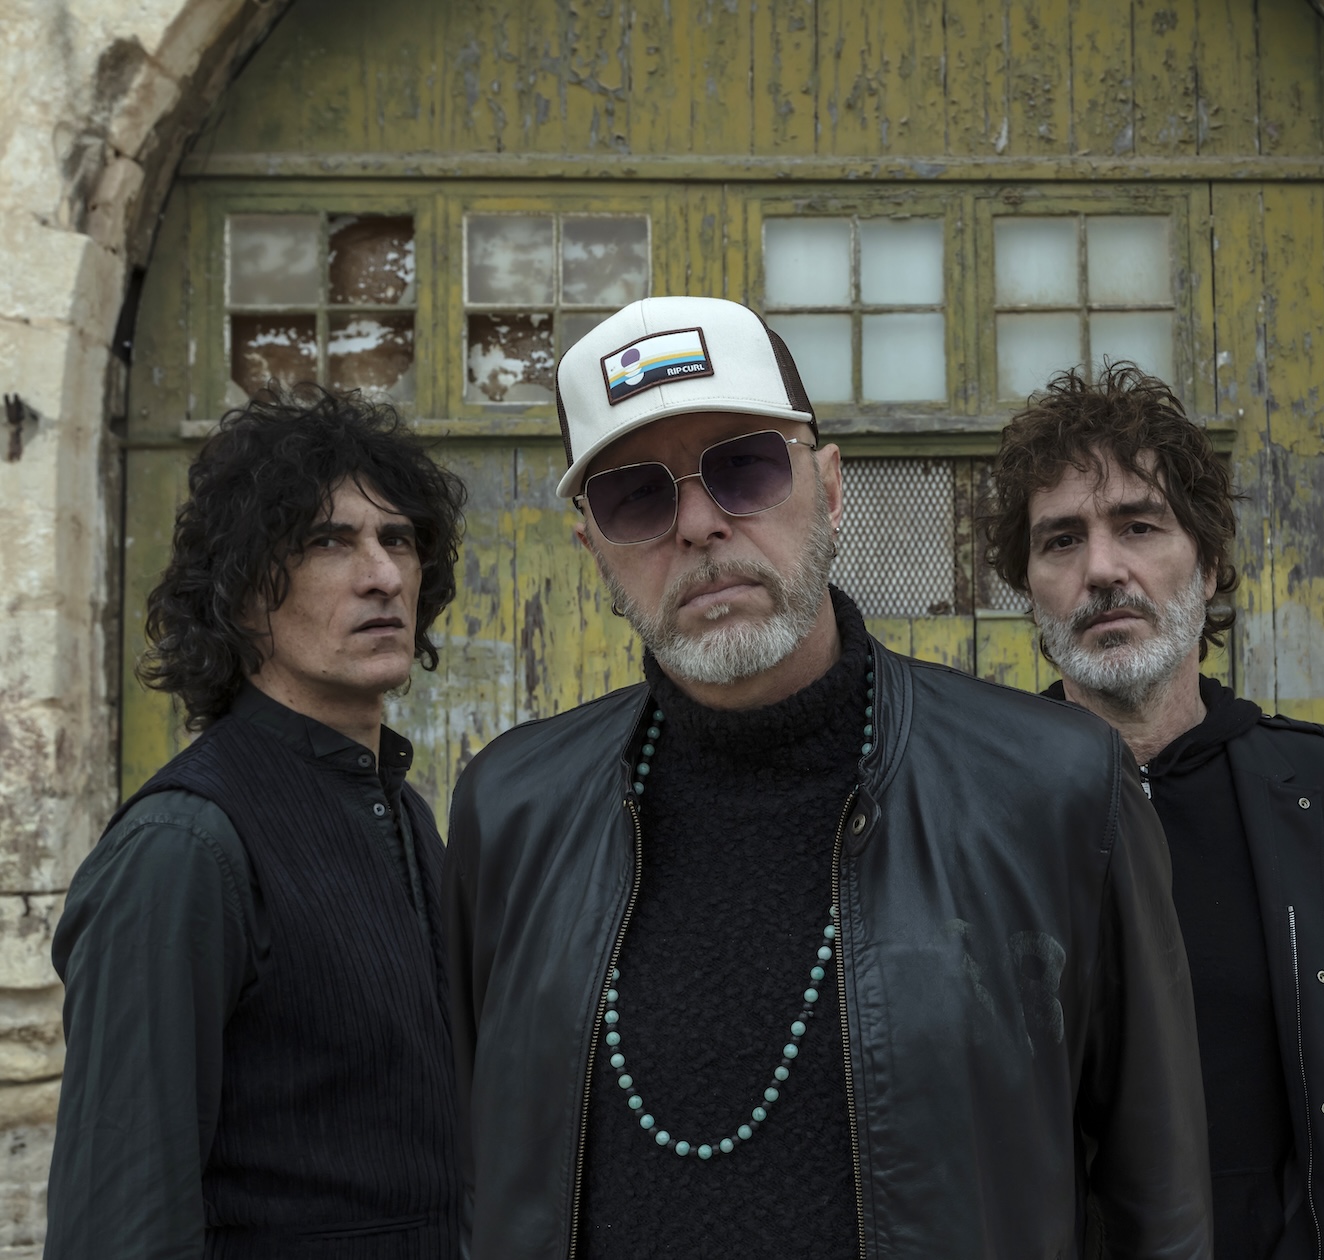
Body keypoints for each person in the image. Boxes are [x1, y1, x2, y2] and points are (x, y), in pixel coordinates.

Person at [444, 296, 1210, 1258]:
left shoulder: (1056, 787)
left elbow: (1156, 1204)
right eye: (635, 497)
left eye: (745, 468)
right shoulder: (512, 809)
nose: (699, 524)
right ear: (592, 547)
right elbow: (475, 1177)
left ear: (832, 489)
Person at [986, 364, 1324, 1260]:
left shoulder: (1322, 788)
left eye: (1139, 526)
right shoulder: (973, 802)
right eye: (1061, 540)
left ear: (1208, 565)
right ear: (1030, 587)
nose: (1102, 569)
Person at [47, 389, 469, 1259]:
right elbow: (119, 1227)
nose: (383, 575)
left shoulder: (406, 815)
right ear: (241, 594)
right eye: (328, 542)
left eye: (397, 539)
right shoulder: (183, 847)